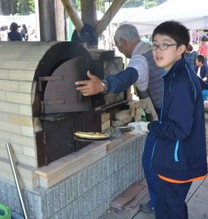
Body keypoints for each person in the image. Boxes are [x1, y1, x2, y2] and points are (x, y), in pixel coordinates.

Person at [75, 24, 163, 213]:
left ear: (123, 42)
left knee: (151, 160)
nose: (122, 51)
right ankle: (163, 200)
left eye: (120, 47)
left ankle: (159, 203)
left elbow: (130, 75)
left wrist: (104, 85)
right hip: (172, 110)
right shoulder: (152, 49)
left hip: (166, 115)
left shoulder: (140, 59)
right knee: (159, 159)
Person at [147, 20, 208, 218]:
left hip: (177, 161)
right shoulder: (176, 74)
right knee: (171, 208)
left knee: (169, 211)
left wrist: (150, 126)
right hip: (176, 158)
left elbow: (179, 129)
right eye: (155, 44)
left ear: (180, 48)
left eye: (165, 44)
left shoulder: (181, 80)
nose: (158, 50)